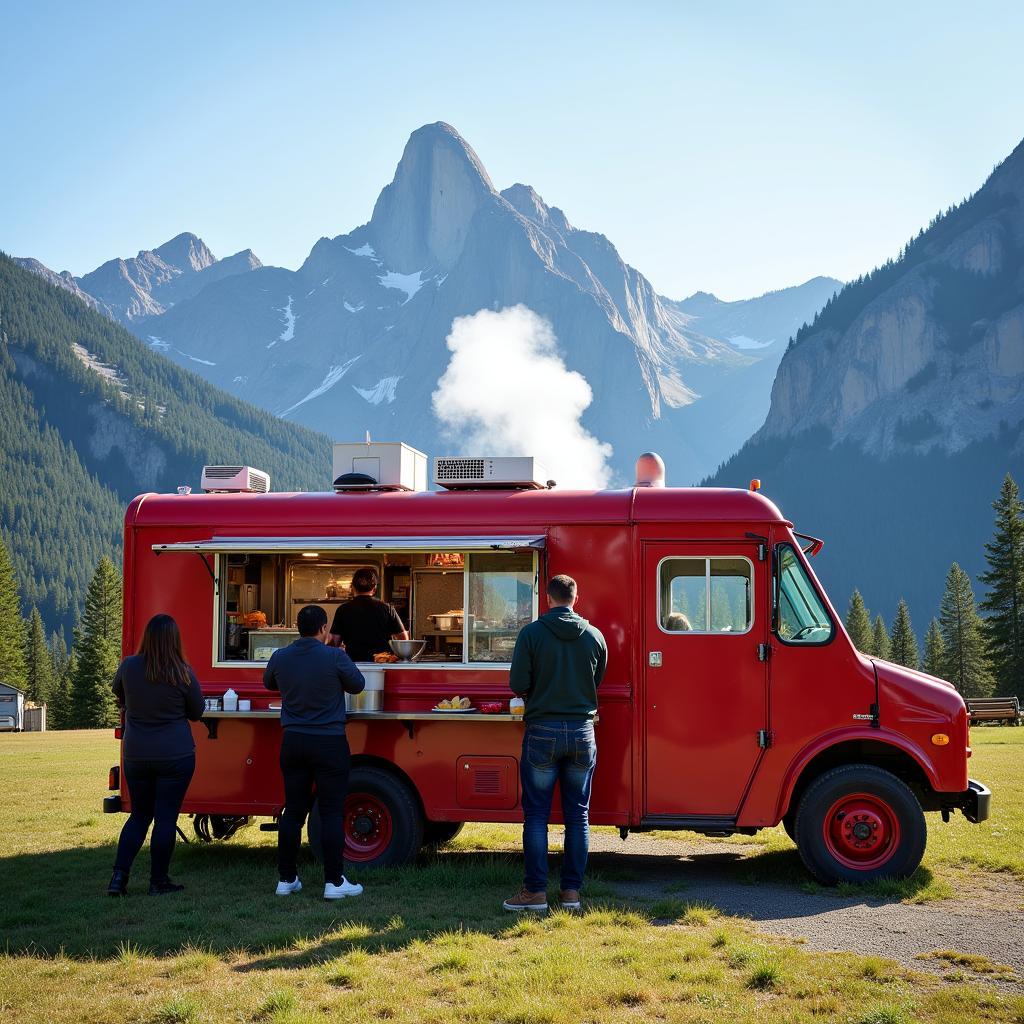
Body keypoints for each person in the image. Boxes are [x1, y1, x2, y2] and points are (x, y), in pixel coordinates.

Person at [503, 574, 607, 913]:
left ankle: (535, 893)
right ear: (575, 598)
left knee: (536, 815)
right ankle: (571, 894)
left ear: (547, 598)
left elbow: (517, 682)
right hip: (582, 731)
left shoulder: (531, 634)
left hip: (542, 731)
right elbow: (597, 679)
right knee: (578, 815)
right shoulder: (594, 636)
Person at [264, 604, 366, 900]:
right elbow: (358, 685)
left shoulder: (281, 657)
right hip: (329, 742)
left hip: (293, 741)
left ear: (298, 628)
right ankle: (333, 882)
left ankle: (286, 879)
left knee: (293, 811)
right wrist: (344, 657)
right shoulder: (335, 656)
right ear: (323, 629)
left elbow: (268, 682)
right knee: (332, 812)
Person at [107, 613, 204, 896]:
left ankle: (118, 878)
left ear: (147, 637)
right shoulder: (183, 672)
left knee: (139, 816)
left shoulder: (129, 666)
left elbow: (118, 694)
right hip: (175, 753)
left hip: (136, 753)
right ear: (174, 640)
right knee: (165, 818)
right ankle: (158, 881)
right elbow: (196, 712)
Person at [329, 567, 409, 661]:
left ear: (353, 587)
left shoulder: (342, 610)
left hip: (353, 663)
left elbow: (334, 642)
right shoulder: (387, 608)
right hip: (381, 663)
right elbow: (404, 641)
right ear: (374, 588)